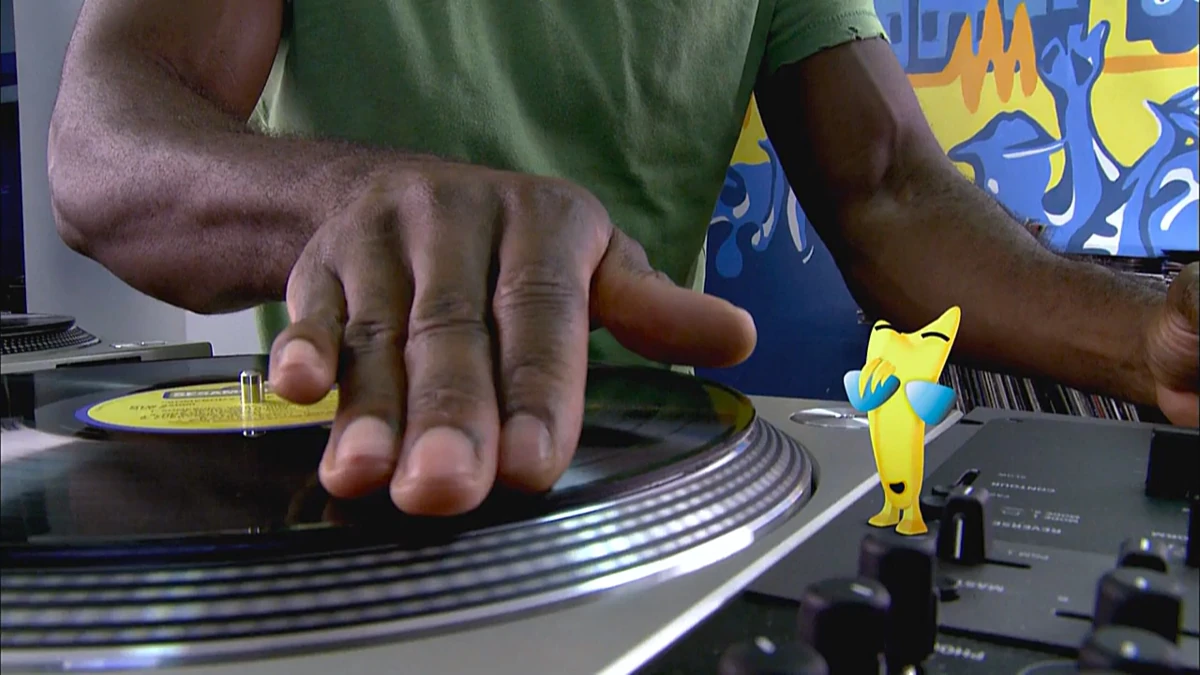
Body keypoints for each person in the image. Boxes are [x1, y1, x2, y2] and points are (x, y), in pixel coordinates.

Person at [48, 1, 1199, 517]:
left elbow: (889, 187)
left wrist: (1148, 338)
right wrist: (354, 195)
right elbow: (102, 141)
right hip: (350, 497)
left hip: (662, 502)